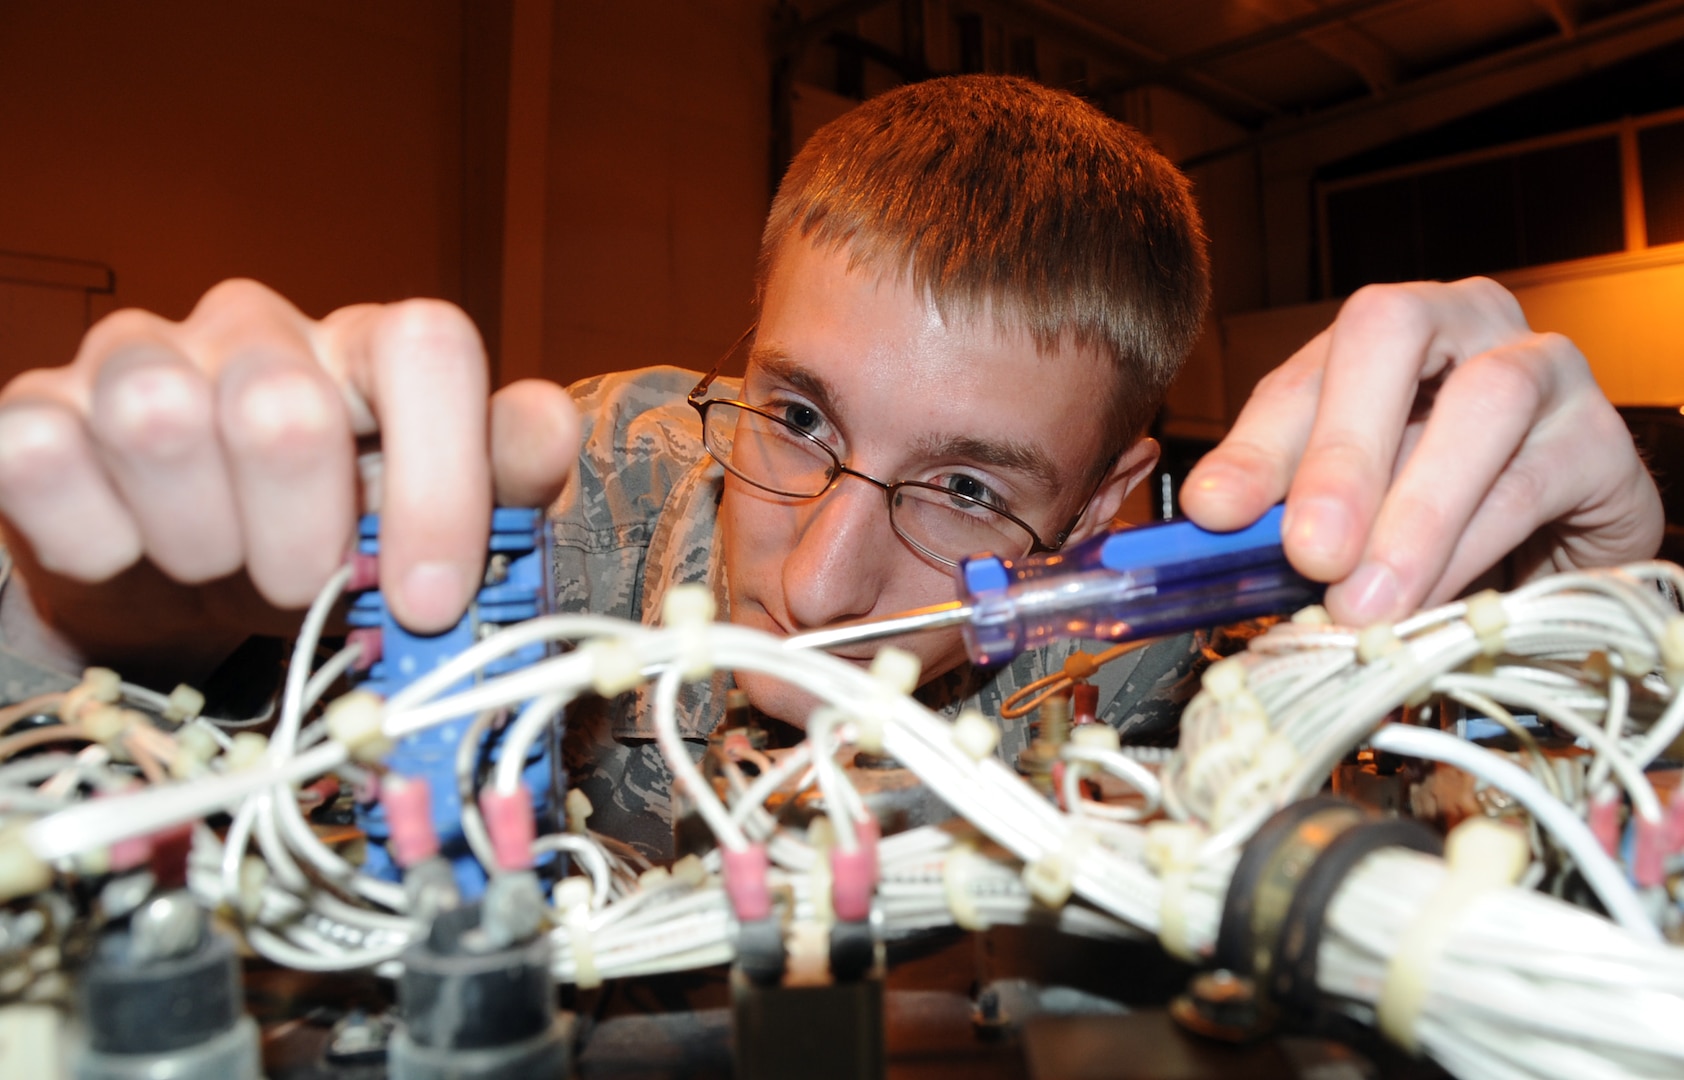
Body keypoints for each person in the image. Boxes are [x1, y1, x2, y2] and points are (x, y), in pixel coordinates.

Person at [0, 77, 1663, 858]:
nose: (816, 587)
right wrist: (67, 609)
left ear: (1104, 513)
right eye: (796, 420)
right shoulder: (574, 484)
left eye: (969, 491)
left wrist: (1596, 668)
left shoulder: (1199, 664)